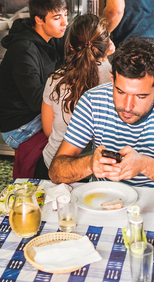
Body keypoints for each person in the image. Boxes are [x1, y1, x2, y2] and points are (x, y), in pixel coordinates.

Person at [50, 38, 154, 195]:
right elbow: (56, 171)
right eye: (120, 92)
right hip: (102, 198)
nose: (127, 106)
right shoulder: (92, 101)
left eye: (140, 96)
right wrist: (89, 164)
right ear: (112, 79)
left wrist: (145, 165)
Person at [36, 14, 114, 179]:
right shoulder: (116, 81)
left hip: (54, 166)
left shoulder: (55, 80)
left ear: (71, 46)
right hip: (99, 172)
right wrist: (107, 59)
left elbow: (49, 131)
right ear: (107, 46)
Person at [0, 0, 67, 151]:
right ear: (39, 20)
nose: (64, 22)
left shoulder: (53, 36)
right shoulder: (24, 50)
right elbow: (37, 102)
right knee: (72, 137)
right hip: (20, 125)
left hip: (37, 112)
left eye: (65, 15)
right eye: (57, 18)